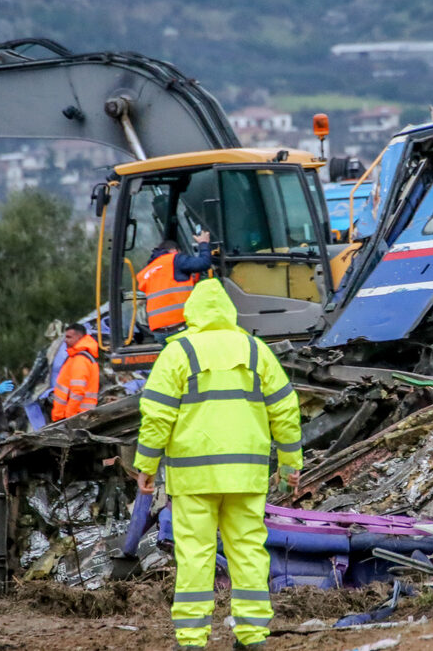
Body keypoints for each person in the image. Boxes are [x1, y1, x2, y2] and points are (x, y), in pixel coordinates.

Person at [133, 279, 301, 649]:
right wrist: (290, 464)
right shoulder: (256, 351)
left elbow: (156, 416)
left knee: (195, 556)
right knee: (248, 552)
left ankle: (191, 641)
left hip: (194, 478)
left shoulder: (179, 353)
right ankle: (253, 637)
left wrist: (146, 465)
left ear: (191, 313)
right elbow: (286, 410)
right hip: (246, 476)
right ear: (229, 310)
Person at [135, 231, 213, 337]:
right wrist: (203, 243)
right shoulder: (174, 258)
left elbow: (171, 287)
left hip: (159, 333)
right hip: (180, 327)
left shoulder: (146, 272)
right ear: (174, 250)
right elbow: (204, 263)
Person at [51, 323, 100, 422]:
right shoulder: (78, 357)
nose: (65, 340)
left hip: (76, 416)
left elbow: (78, 391)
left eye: (69, 337)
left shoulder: (80, 359)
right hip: (78, 415)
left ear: (79, 337)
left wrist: (70, 417)